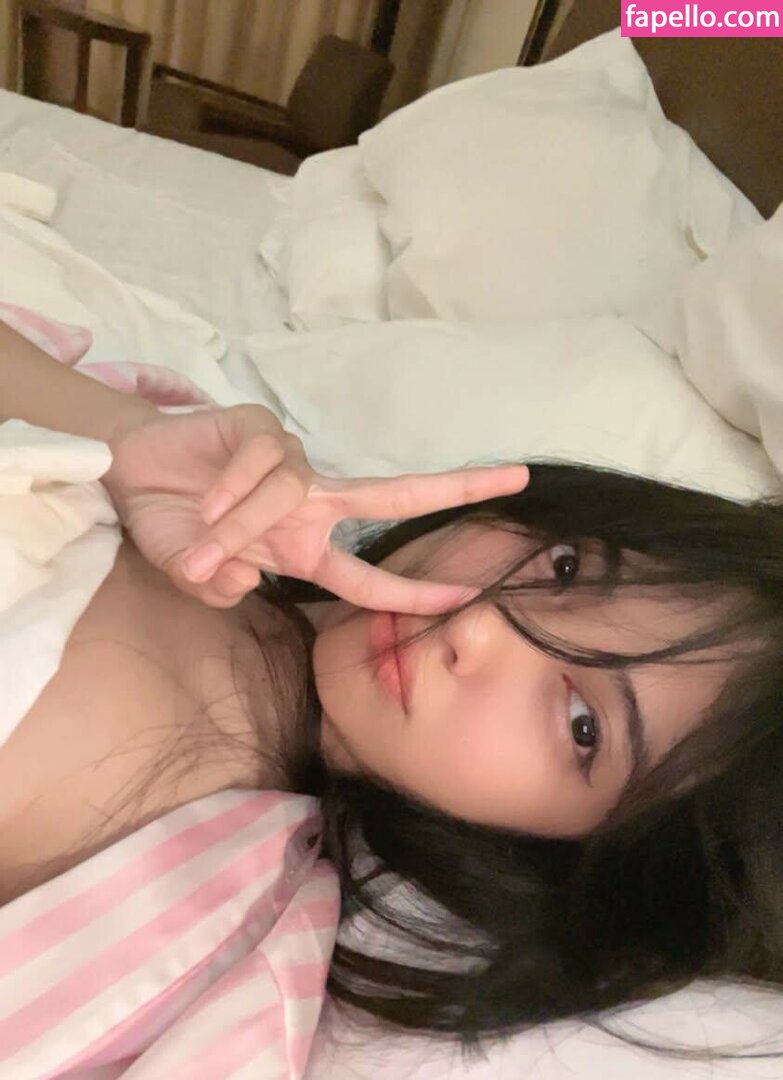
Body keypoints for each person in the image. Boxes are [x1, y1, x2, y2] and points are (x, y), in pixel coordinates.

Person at [1, 318, 782, 1055]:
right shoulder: (216, 476)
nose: (480, 629)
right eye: (566, 568)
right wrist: (117, 430)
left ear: (573, 857)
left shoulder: (194, 896)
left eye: (583, 725)